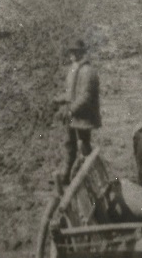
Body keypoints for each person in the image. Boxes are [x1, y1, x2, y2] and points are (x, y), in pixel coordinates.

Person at [54, 39, 101, 189]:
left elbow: (85, 98)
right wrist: (59, 99)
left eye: (74, 51)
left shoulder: (88, 71)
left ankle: (94, 178)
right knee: (69, 145)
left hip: (83, 116)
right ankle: (66, 175)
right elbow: (71, 94)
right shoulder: (74, 69)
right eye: (71, 51)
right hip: (73, 115)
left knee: (84, 146)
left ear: (81, 52)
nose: (71, 54)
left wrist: (70, 110)